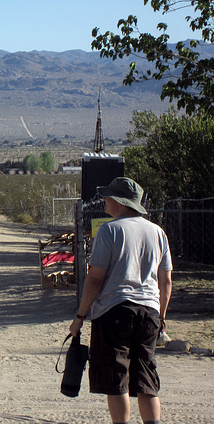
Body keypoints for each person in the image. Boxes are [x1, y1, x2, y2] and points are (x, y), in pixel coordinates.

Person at [69, 177, 172, 424]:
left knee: (117, 380)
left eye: (108, 196)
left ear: (118, 201)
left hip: (114, 311)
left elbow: (95, 279)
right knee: (147, 379)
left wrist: (80, 316)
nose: (104, 200)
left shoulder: (110, 230)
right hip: (149, 312)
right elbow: (166, 281)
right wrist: (161, 318)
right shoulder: (157, 232)